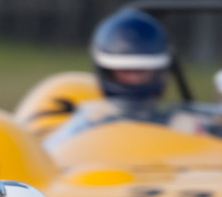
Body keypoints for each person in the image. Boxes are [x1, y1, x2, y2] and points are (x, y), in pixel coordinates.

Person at [45, 8, 173, 147]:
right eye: (125, 71)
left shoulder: (187, 125)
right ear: (106, 71)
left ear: (159, 71)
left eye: (141, 71)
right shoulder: (86, 127)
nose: (133, 79)